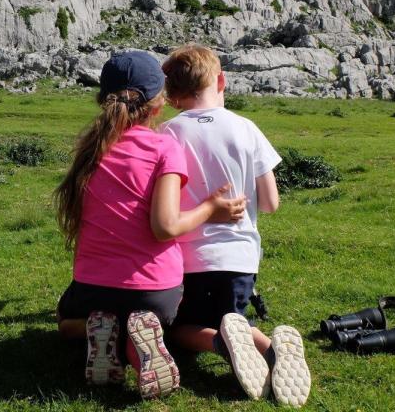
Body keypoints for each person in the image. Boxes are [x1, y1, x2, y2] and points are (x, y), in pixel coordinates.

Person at [54, 51, 247, 400]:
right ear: (158, 104)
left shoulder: (90, 150)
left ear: (102, 99)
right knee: (156, 325)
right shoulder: (164, 148)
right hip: (156, 292)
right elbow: (165, 226)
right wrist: (210, 208)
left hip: (94, 288)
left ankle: (102, 333)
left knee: (65, 322)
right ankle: (135, 347)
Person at [160, 44, 311, 407]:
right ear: (221, 80)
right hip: (242, 259)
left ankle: (220, 343)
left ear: (174, 96)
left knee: (179, 329)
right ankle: (272, 348)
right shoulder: (247, 127)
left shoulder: (168, 132)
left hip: (191, 260)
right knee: (233, 317)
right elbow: (271, 203)